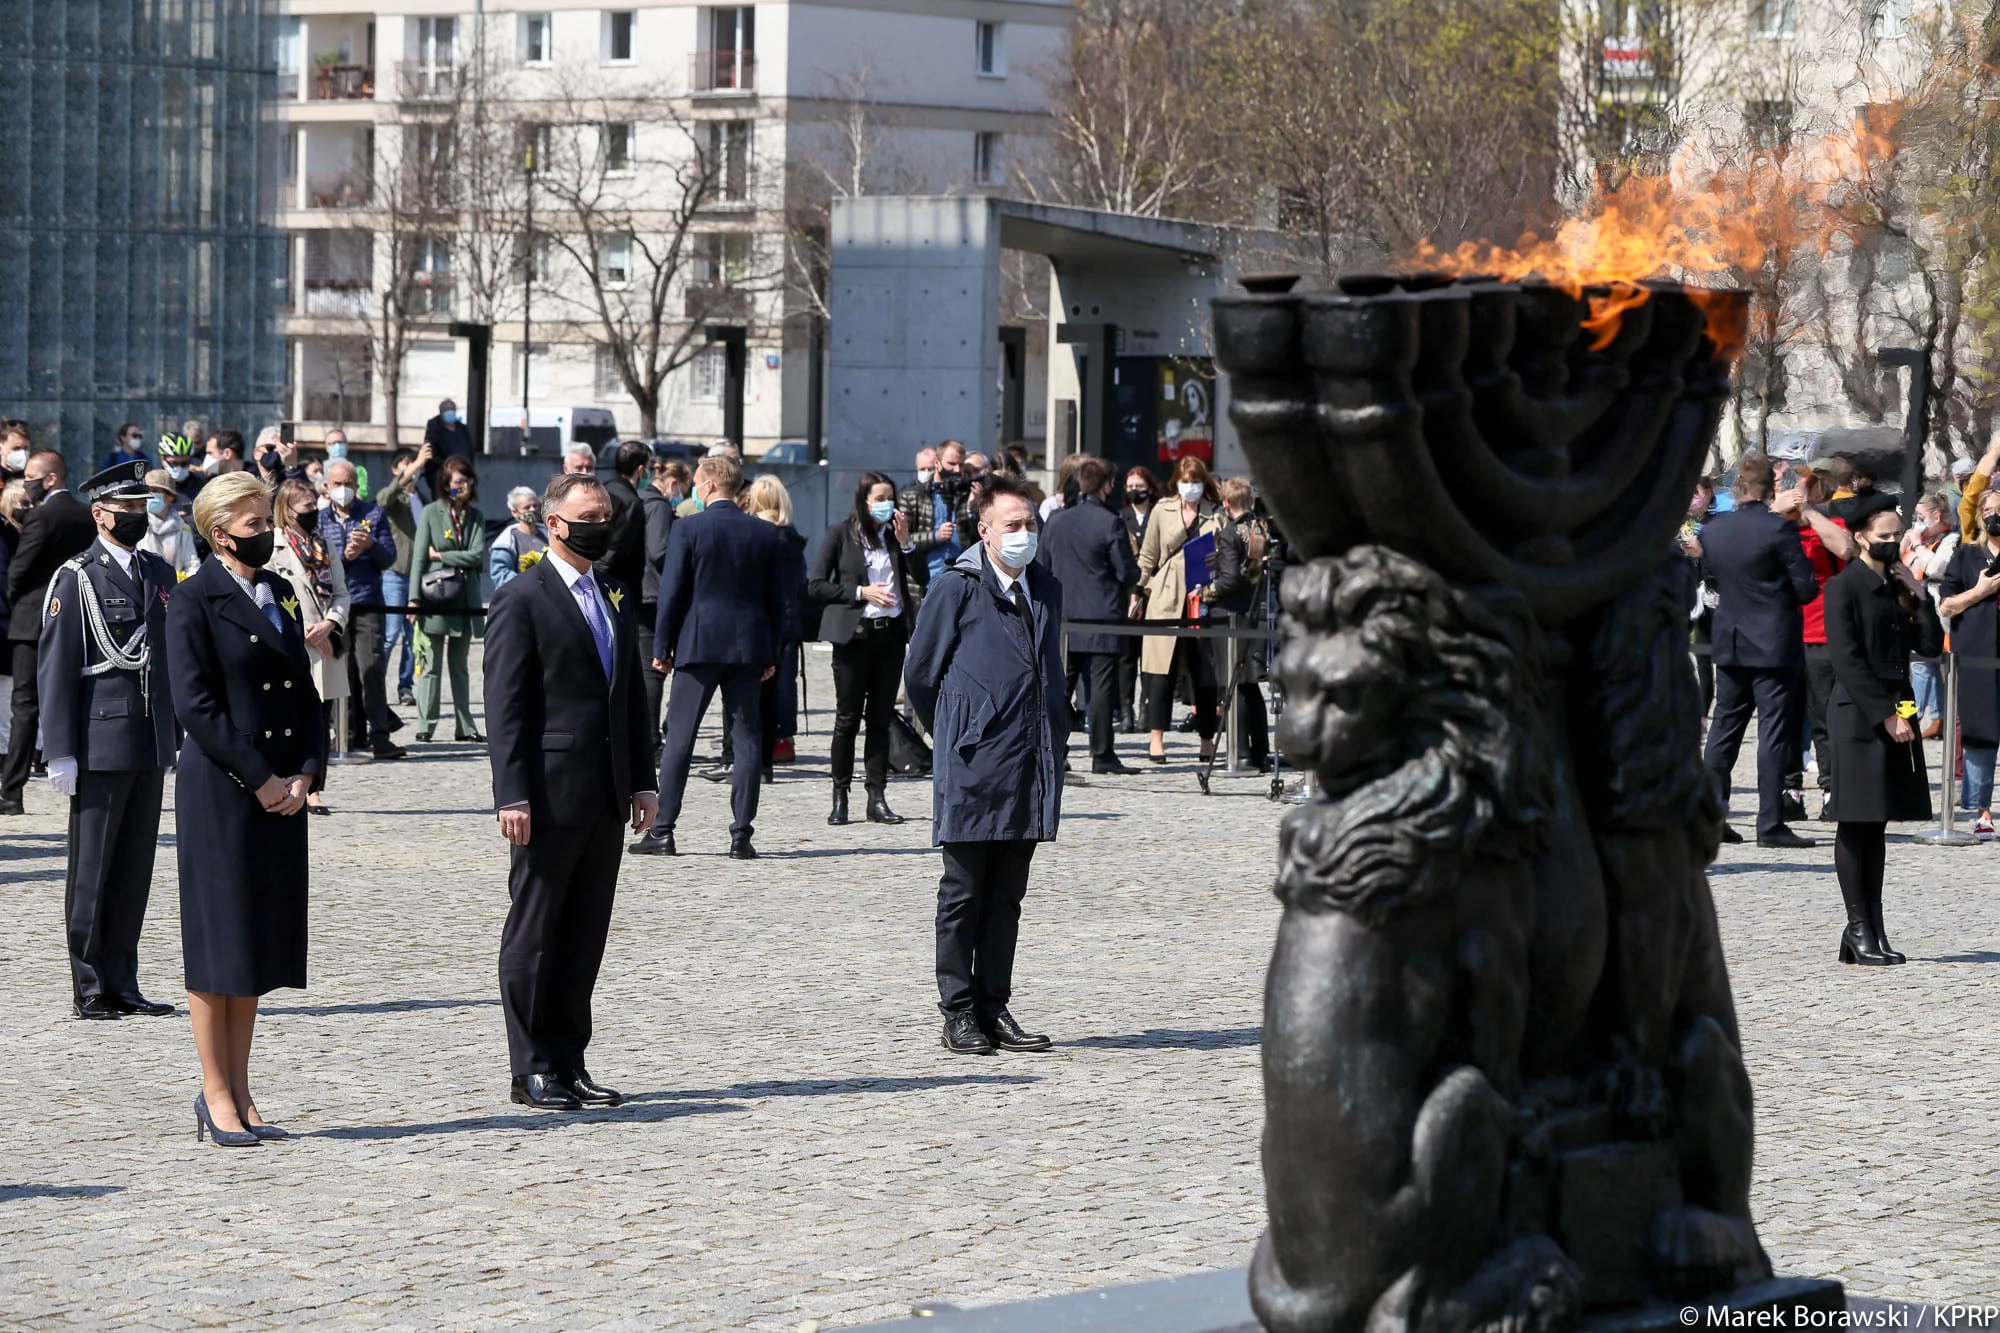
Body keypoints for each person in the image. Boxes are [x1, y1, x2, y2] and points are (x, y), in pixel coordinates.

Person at [484, 471, 657, 1111]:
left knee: (584, 935)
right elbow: (505, 706)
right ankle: (529, 1065)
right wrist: (513, 794)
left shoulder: (611, 589)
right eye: (589, 516)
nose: (602, 526)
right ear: (554, 523)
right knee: (535, 932)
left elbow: (629, 696)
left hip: (606, 794)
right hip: (548, 794)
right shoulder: (521, 598)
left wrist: (643, 779)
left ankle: (569, 1059)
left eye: (606, 515)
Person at [165, 470, 325, 1146]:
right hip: (224, 790)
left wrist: (307, 772)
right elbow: (195, 704)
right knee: (218, 945)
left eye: (268, 521)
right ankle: (214, 1091)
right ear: (219, 532)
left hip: (280, 791)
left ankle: (244, 1088)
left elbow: (305, 695)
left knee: (255, 944)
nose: (268, 533)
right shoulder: (192, 599)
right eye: (256, 525)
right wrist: (260, 776)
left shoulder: (280, 591)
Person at [905, 475, 1068, 1056]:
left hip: (1029, 760)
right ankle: (958, 1011)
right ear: (985, 531)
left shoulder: (1045, 587)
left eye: (1031, 524)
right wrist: (959, 728)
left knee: (1007, 895)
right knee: (964, 891)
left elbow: (1049, 668)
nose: (1024, 534)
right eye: (1013, 525)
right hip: (974, 761)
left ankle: (995, 1005)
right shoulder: (958, 587)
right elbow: (921, 674)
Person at [38, 461, 180, 1019]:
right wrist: (60, 750)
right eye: (127, 511)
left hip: (149, 738)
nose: (137, 518)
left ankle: (125, 979)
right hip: (99, 741)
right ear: (100, 515)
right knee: (93, 868)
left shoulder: (159, 573)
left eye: (142, 509)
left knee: (134, 869)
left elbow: (172, 658)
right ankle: (90, 984)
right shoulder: (76, 577)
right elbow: (56, 668)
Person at [631, 456, 785, 860]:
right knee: (748, 740)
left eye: (698, 484)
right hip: (748, 646)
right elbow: (777, 600)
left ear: (711, 486)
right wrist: (771, 650)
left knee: (681, 737)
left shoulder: (688, 527)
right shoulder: (764, 533)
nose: (694, 490)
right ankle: (741, 835)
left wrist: (662, 646)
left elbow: (673, 591)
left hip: (698, 643)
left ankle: (663, 830)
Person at [1822, 505, 1939, 966]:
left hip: (1897, 709)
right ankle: (1857, 928)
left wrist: (1921, 597)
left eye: (1898, 533)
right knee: (1856, 819)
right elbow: (1847, 659)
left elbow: (1928, 646)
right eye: (1885, 534)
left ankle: (1874, 928)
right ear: (1861, 536)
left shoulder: (1894, 587)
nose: (1894, 541)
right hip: (1859, 716)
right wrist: (1884, 714)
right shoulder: (1843, 587)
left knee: (1879, 822)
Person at [1699, 453, 1822, 848]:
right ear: (1772, 488)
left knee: (1723, 730)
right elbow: (1805, 587)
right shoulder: (1777, 530)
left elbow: (1713, 579)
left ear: (1737, 487)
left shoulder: (1715, 531)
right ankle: (1769, 823)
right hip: (1772, 640)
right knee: (1773, 732)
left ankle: (1711, 816)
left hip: (1730, 637)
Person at [810, 471, 918, 825]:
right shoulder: (840, 534)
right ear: (864, 501)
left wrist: (906, 544)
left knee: (880, 718)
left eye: (891, 498)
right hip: (855, 636)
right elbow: (816, 585)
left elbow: (921, 578)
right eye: (880, 499)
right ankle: (840, 794)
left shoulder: (895, 538)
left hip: (890, 637)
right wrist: (860, 592)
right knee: (847, 719)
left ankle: (877, 796)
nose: (887, 505)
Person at [1, 450, 99, 815]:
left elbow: (18, 572)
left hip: (31, 622)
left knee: (25, 706)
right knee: (78, 698)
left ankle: (12, 793)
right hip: (77, 617)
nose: (25, 483)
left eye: (30, 476)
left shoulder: (42, 517)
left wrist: (20, 604)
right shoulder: (87, 515)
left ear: (51, 478)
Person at [1037, 455, 1140, 777]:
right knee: (1101, 689)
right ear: (1107, 486)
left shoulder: (1056, 520)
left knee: (1059, 687)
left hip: (1064, 615)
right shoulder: (1110, 522)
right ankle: (1102, 754)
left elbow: (1042, 563)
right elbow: (1126, 572)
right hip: (1102, 616)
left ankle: (1055, 749)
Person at [1136, 456, 1226, 766]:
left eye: (1196, 481)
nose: (1191, 487)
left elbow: (1226, 552)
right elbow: (1149, 554)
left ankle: (1206, 738)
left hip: (1204, 595)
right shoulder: (1163, 509)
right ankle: (1156, 737)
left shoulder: (1217, 513)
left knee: (1205, 672)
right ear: (1177, 482)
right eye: (1186, 482)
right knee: (1162, 671)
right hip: (1167, 595)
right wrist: (1138, 590)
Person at [267, 478, 351, 814]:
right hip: (291, 644)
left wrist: (331, 624)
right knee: (288, 714)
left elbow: (342, 592)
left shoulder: (324, 545)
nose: (312, 513)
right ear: (287, 511)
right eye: (306, 508)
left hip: (325, 643)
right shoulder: (272, 546)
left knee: (319, 719)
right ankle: (281, 779)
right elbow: (267, 597)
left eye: (315, 507)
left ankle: (314, 786)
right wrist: (301, 631)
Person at [1787, 460, 1856, 820]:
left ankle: (1831, 789)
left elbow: (1846, 549)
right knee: (1782, 718)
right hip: (1780, 637)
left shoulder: (1829, 524)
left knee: (1823, 718)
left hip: (1821, 635)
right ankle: (1789, 790)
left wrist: (1809, 513)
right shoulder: (1772, 528)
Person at [318, 458, 401, 760]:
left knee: (371, 667)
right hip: (334, 606)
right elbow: (316, 560)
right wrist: (343, 554)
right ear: (327, 487)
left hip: (367, 600)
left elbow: (389, 557)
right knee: (344, 670)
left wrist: (369, 547)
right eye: (337, 484)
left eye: (348, 484)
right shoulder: (319, 519)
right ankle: (349, 733)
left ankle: (380, 733)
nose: (343, 489)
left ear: (357, 486)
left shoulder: (374, 514)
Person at [408, 455, 488, 743]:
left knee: (460, 667)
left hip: (464, 599)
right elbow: (419, 557)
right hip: (436, 598)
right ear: (446, 484)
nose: (462, 486)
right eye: (457, 481)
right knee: (431, 666)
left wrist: (441, 555)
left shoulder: (475, 516)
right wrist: (413, 599)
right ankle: (425, 725)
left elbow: (477, 554)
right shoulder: (431, 512)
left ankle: (465, 726)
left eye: (466, 481)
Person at [1938, 486, 2000, 837]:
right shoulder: (1967, 555)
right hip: (1977, 654)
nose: (1993, 516)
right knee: (1979, 732)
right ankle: (1982, 808)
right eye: (1987, 510)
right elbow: (1946, 606)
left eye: (1999, 510)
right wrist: (1979, 592)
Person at [1207, 477, 1274, 772]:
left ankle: (1241, 753)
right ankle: (1259, 751)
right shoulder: (1261, 529)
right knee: (1250, 686)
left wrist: (1205, 591)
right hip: (1255, 610)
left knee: (1233, 684)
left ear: (1225, 503)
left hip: (1231, 613)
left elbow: (1230, 580)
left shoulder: (1231, 534)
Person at [744, 475, 807, 784]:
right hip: (787, 623)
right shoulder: (791, 539)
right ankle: (769, 757)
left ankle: (748, 758)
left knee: (749, 695)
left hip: (757, 623)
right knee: (776, 694)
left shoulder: (754, 536)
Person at [1902, 491, 1958, 740]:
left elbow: (1936, 567)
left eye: (1921, 516)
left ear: (1936, 516)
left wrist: (1918, 547)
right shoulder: (1921, 538)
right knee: (1929, 666)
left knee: (1923, 664)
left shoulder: (1952, 538)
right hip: (1917, 607)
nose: (1917, 522)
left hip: (1938, 610)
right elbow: (1906, 566)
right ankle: (1938, 717)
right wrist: (1910, 545)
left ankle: (1909, 716)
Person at [378, 445, 426, 707]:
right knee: (390, 634)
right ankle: (376, 684)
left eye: (417, 464)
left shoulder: (422, 497)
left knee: (412, 636)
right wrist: (411, 470)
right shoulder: (395, 498)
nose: (415, 469)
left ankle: (405, 686)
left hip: (418, 576)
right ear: (396, 469)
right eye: (408, 464)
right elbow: (384, 498)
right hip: (395, 574)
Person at [638, 455, 677, 755]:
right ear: (673, 483)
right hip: (652, 594)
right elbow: (660, 551)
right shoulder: (660, 506)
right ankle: (650, 740)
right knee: (653, 670)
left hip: (639, 590)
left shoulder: (638, 499)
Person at [1116, 468, 1159, 734]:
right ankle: (1126, 711)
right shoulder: (1121, 518)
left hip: (1155, 592)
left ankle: (1147, 709)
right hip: (1128, 594)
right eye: (1130, 485)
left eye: (1139, 484)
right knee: (1127, 657)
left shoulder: (1158, 515)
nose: (1134, 489)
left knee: (1151, 657)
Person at [899, 440, 973, 588]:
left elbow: (977, 540)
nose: (957, 470)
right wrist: (935, 536)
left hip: (962, 582)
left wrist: (972, 510)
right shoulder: (913, 495)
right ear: (937, 463)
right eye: (951, 464)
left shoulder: (969, 495)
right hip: (925, 583)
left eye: (961, 465)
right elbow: (903, 539)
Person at [597, 440, 652, 605]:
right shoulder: (631, 502)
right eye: (649, 467)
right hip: (618, 588)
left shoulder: (603, 490)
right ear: (641, 470)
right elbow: (617, 549)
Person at [139, 469, 201, 579]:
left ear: (170, 496)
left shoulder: (182, 528)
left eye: (155, 491)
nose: (150, 495)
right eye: (148, 491)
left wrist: (181, 583)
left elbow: (192, 565)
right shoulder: (138, 524)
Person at [489, 486, 549, 590]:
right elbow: (500, 574)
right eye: (527, 507)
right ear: (514, 512)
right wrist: (530, 583)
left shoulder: (549, 534)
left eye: (535, 505)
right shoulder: (507, 541)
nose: (533, 510)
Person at [420, 398, 475, 500]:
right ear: (441, 412)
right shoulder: (434, 428)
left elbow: (469, 451)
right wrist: (447, 465)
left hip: (461, 475)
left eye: (452, 409)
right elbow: (432, 452)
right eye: (447, 409)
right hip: (442, 476)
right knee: (445, 501)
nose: (450, 411)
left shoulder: (462, 429)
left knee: (458, 500)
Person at [159, 433, 207, 513]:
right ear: (163, 459)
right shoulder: (152, 485)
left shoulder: (201, 486)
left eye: (184, 463)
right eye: (174, 463)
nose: (179, 468)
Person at [322, 428, 369, 500]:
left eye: (341, 443)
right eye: (333, 443)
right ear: (326, 447)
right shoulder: (319, 468)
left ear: (347, 445)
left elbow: (362, 495)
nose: (337, 446)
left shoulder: (358, 470)